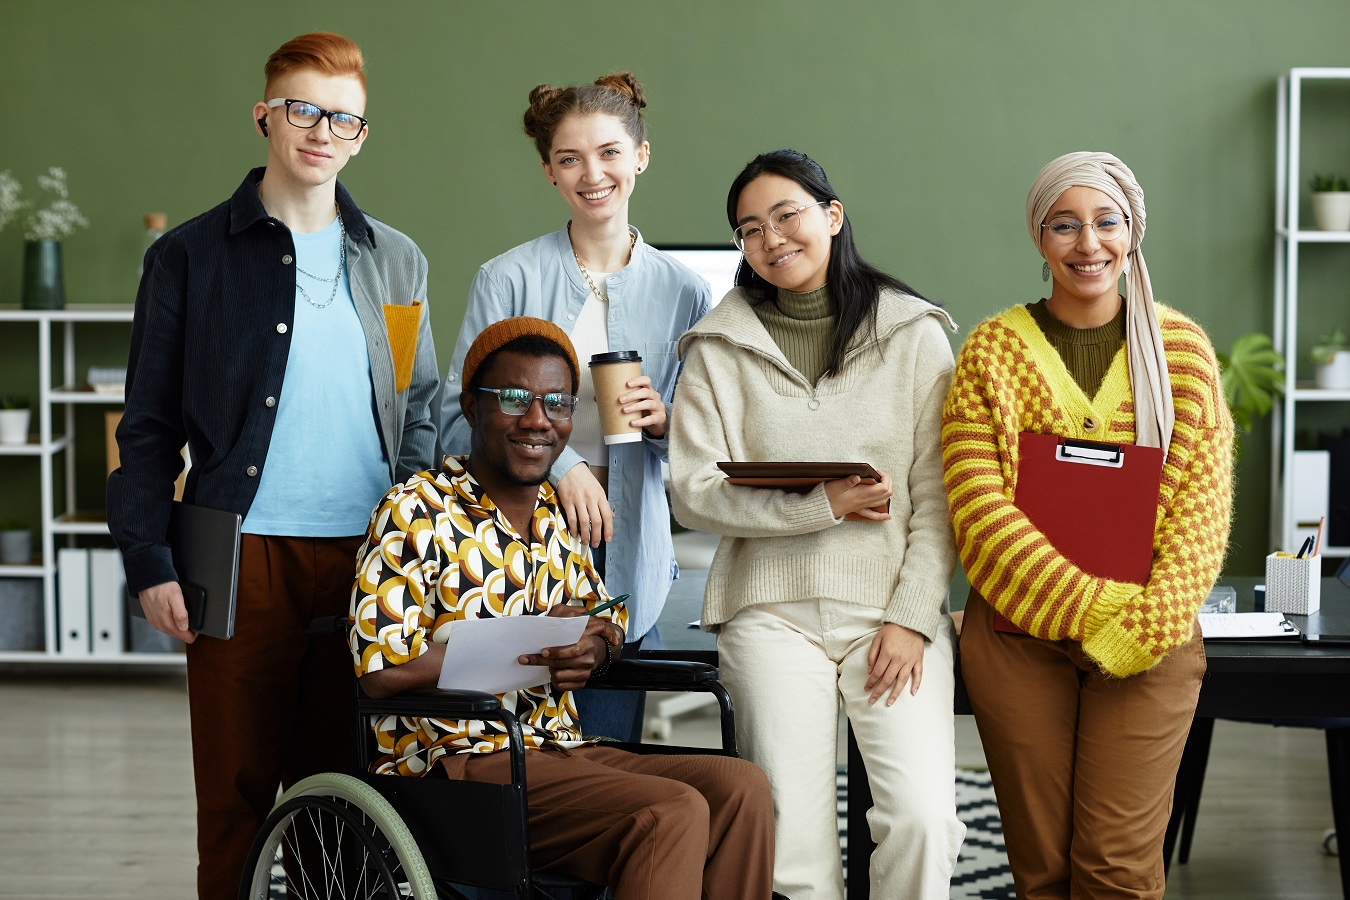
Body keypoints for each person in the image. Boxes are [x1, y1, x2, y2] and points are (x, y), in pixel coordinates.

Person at [105, 32, 438, 899]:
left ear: (362, 134)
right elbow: (144, 431)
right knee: (238, 799)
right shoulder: (188, 257)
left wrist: (415, 551)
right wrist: (150, 561)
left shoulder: (396, 262)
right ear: (265, 115)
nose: (321, 131)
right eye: (302, 109)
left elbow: (419, 413)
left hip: (371, 563)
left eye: (343, 119)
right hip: (236, 559)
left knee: (360, 799)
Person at [353, 317, 775, 899]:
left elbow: (603, 616)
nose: (537, 420)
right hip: (459, 764)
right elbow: (381, 673)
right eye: (513, 399)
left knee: (741, 787)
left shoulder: (558, 517)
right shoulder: (414, 511)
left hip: (560, 750)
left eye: (556, 403)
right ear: (473, 409)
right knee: (669, 810)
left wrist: (592, 647)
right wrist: (512, 646)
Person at [669, 149, 966, 900]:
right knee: (789, 842)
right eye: (748, 229)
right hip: (768, 613)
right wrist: (821, 506)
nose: (770, 238)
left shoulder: (916, 335)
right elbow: (692, 492)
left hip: (888, 617)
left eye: (786, 215)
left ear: (832, 216)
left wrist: (910, 618)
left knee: (925, 821)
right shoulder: (714, 348)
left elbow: (939, 500)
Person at [941, 151, 1235, 898]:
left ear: (1133, 229)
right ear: (1038, 239)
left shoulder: (1184, 354)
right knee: (1042, 869)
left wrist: (1144, 623)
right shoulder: (993, 353)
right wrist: (1101, 608)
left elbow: (1201, 515)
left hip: (1153, 636)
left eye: (1107, 221)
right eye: (1063, 225)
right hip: (1017, 640)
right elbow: (979, 513)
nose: (1088, 243)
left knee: (1118, 868)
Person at [437, 72, 712, 742]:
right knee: (505, 764)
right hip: (505, 556)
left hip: (623, 560)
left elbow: (704, 446)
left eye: (611, 152)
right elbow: (451, 417)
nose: (593, 173)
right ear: (549, 172)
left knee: (605, 759)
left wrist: (664, 423)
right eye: (570, 158)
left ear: (641, 156)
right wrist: (564, 468)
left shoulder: (686, 294)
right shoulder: (508, 278)